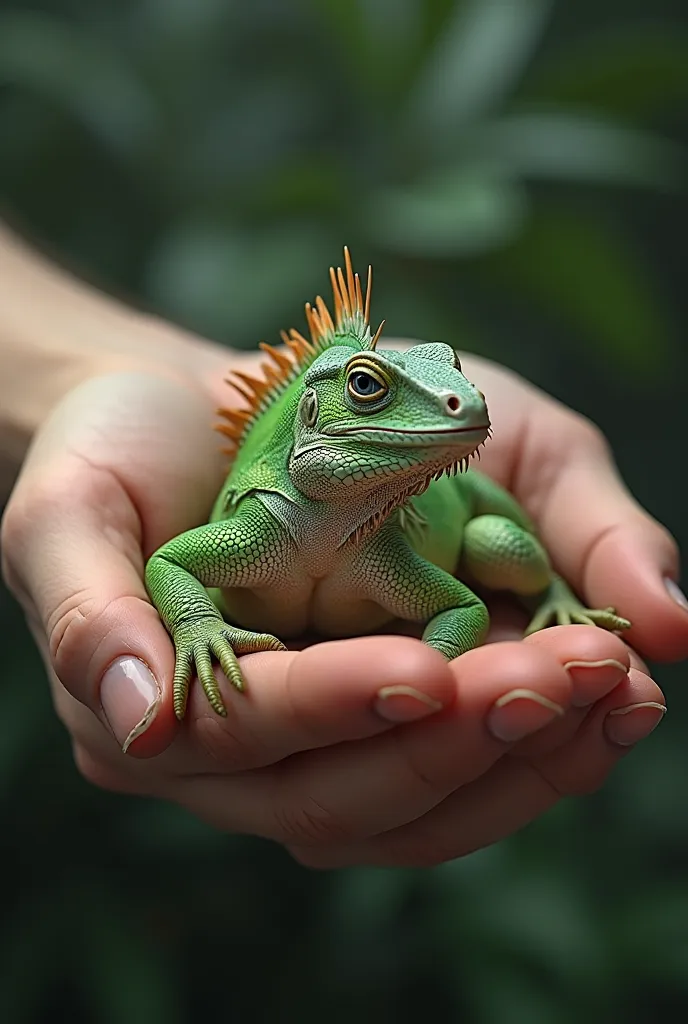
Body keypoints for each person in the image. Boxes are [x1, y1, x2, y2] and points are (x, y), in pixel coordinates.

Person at [1, 222, 686, 869]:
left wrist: (442, 668)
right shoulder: (255, 533)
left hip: (471, 537)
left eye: (444, 379)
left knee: (498, 545)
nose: (460, 403)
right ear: (311, 414)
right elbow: (171, 562)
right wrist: (196, 624)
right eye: (368, 389)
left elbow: (465, 612)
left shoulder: (387, 551)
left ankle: (556, 593)